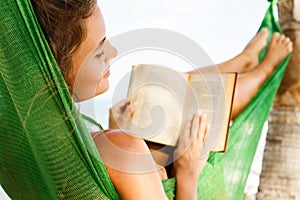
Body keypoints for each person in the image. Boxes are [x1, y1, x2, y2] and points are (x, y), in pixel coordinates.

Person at [31, 1, 293, 199]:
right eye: (100, 52)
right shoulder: (122, 149)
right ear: (58, 70)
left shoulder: (33, 136)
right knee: (188, 111)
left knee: (150, 99)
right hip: (155, 170)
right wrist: (188, 174)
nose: (113, 51)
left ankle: (241, 62)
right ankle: (261, 71)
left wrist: (114, 132)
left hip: (126, 158)